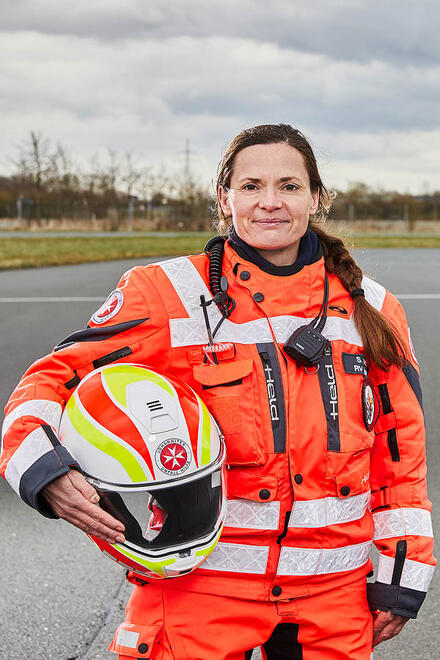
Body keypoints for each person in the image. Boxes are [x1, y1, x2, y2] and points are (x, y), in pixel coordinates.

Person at [1, 123, 435, 659]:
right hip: (198, 589)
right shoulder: (165, 294)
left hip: (333, 597)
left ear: (316, 198)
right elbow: (51, 379)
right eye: (251, 186)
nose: (270, 202)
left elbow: (400, 454)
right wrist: (45, 473)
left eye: (289, 186)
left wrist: (402, 566)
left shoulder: (374, 308)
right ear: (225, 198)